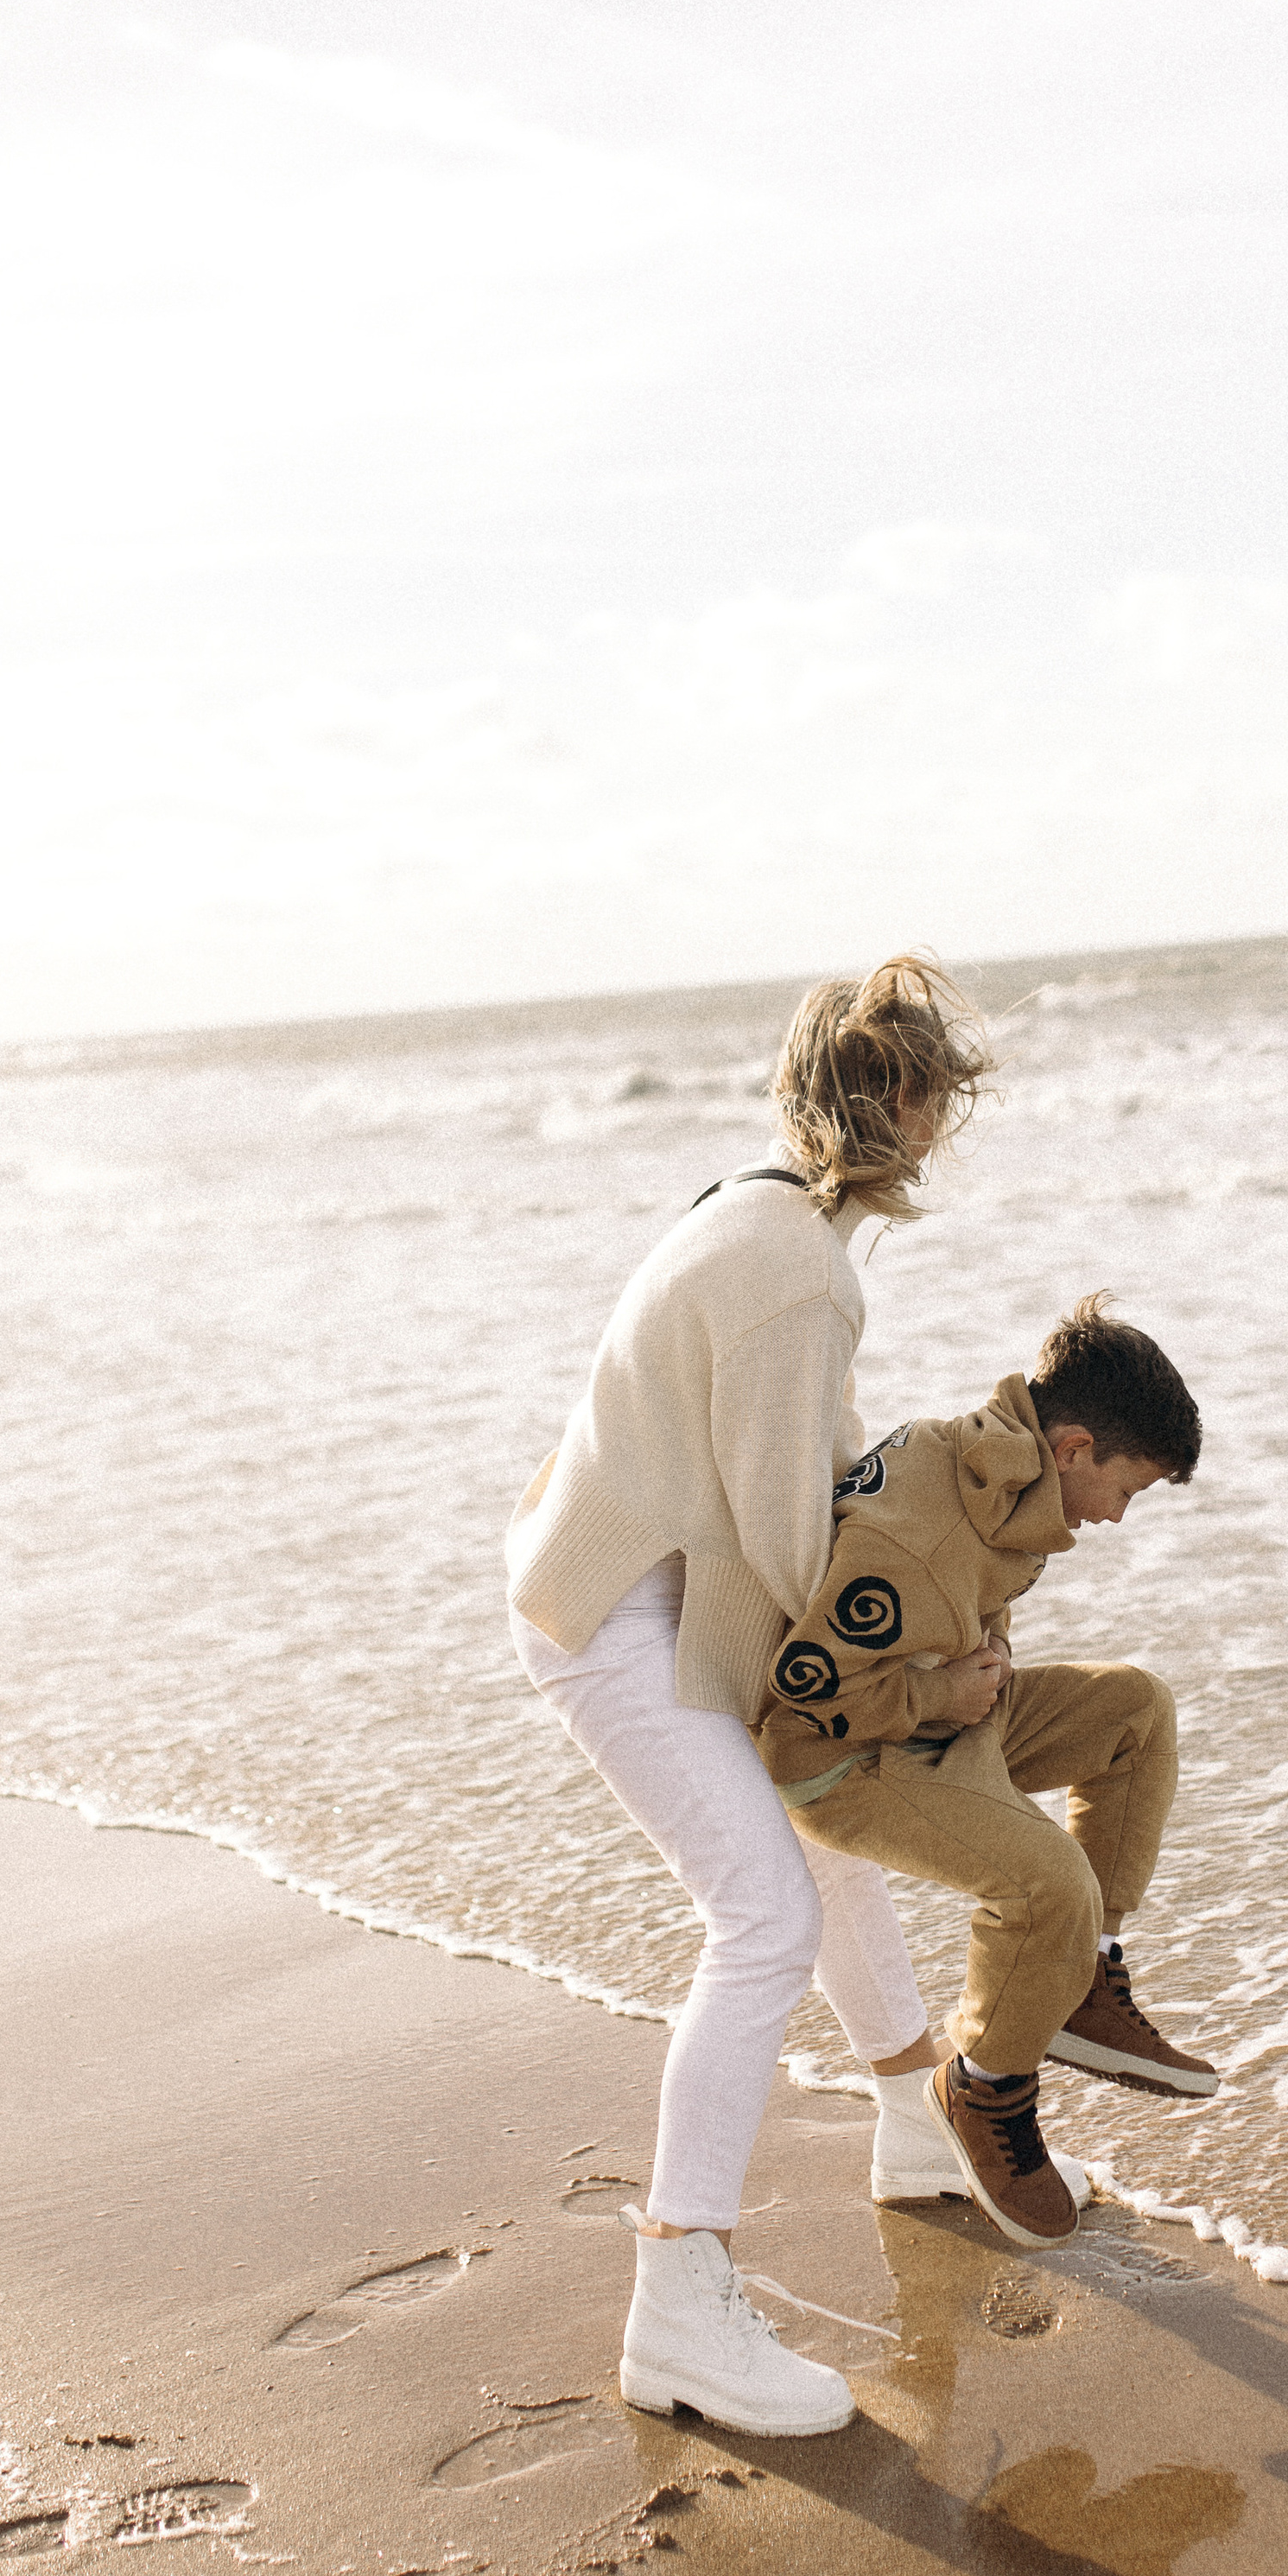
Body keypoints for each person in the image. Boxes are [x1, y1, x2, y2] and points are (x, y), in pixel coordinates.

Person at [506, 956, 994, 2440]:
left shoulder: (761, 1212)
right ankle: (681, 2303)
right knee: (767, 1914)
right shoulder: (799, 1267)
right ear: (901, 1105)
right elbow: (794, 1539)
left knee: (828, 1837)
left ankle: (915, 2122)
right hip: (616, 1619)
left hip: (645, 1587)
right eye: (936, 1108)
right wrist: (909, 1685)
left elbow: (819, 1473)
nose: (938, 1140)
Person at [753, 1295, 1217, 2253]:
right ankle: (981, 2092)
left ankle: (1082, 1980)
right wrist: (937, 1699)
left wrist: (970, 1682)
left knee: (1134, 1708)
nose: (1119, 1518)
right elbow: (798, 1702)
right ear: (1075, 1446)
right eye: (1127, 1490)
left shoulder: (1000, 1475)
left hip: (947, 1714)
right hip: (850, 1758)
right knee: (1049, 1882)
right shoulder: (919, 1529)